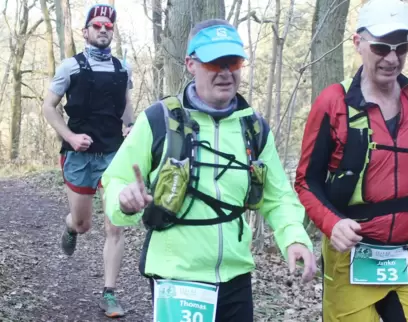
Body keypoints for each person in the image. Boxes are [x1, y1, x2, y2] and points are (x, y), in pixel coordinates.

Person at [101, 18, 316, 322]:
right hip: (176, 276)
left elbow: (278, 196)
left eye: (233, 62)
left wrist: (294, 238)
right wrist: (123, 198)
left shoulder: (253, 128)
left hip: (236, 275)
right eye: (215, 63)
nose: (226, 72)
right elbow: (114, 179)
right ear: (191, 63)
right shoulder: (159, 120)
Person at [295, 0, 408, 321]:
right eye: (381, 47)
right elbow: (306, 181)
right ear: (358, 43)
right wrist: (332, 223)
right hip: (351, 254)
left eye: (402, 46)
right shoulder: (332, 103)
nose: (392, 58)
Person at [42, 3, 133, 318]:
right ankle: (70, 226)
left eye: (108, 26)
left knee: (115, 225)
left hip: (114, 155)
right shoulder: (70, 67)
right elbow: (49, 108)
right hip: (80, 155)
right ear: (86, 31)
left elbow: (125, 106)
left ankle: (109, 292)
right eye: (97, 25)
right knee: (84, 224)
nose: (103, 29)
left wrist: (130, 126)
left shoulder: (123, 68)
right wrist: (69, 137)